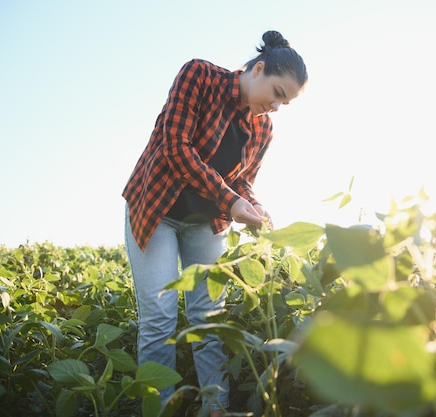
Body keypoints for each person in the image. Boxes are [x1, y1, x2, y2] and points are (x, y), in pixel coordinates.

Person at [122, 30, 308, 415]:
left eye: (284, 103)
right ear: (257, 69)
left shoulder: (263, 128)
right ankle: (158, 410)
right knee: (159, 318)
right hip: (157, 212)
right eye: (276, 93)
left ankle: (216, 409)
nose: (276, 106)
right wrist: (232, 200)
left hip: (205, 224)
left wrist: (256, 209)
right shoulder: (199, 76)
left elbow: (243, 182)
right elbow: (175, 146)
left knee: (210, 322)